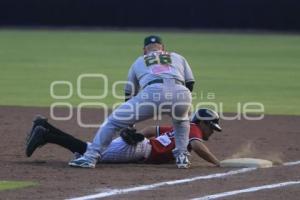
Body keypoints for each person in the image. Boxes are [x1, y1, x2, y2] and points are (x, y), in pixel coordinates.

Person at [69, 35, 195, 168]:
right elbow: (190, 83)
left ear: (144, 50)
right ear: (163, 48)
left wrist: (130, 123)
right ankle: (182, 157)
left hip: (153, 92)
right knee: (182, 122)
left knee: (112, 121)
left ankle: (90, 157)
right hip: (181, 92)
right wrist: (182, 104)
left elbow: (129, 92)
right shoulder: (177, 57)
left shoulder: (140, 60)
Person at [26, 108, 222, 167]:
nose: (212, 131)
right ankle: (45, 135)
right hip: (139, 149)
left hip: (140, 147)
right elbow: (196, 146)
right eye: (211, 126)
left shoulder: (182, 127)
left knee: (88, 148)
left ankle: (45, 127)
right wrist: (217, 163)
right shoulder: (193, 129)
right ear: (202, 122)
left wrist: (137, 135)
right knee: (89, 152)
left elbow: (151, 129)